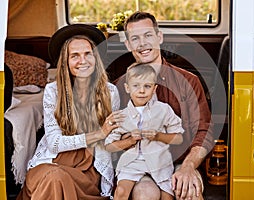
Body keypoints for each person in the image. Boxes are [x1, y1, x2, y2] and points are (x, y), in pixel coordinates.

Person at [17, 24, 125, 200]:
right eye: (75, 56)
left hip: (88, 167)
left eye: (87, 54)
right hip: (51, 161)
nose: (83, 61)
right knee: (54, 178)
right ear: (65, 62)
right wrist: (100, 133)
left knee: (57, 180)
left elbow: (112, 140)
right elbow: (54, 143)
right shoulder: (53, 91)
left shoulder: (110, 92)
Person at [113, 11, 214, 200]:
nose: (142, 44)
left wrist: (189, 166)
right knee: (145, 194)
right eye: (135, 38)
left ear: (159, 37)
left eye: (148, 35)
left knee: (188, 189)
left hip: (180, 162)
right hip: (138, 164)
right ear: (128, 45)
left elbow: (204, 130)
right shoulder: (118, 87)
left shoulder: (188, 81)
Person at [105, 63, 184, 200]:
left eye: (147, 86)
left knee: (167, 197)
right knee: (121, 191)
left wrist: (159, 136)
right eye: (136, 86)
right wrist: (129, 141)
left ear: (154, 89)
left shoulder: (164, 110)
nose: (142, 91)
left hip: (160, 162)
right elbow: (109, 146)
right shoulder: (121, 115)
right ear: (127, 88)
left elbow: (178, 138)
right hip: (131, 163)